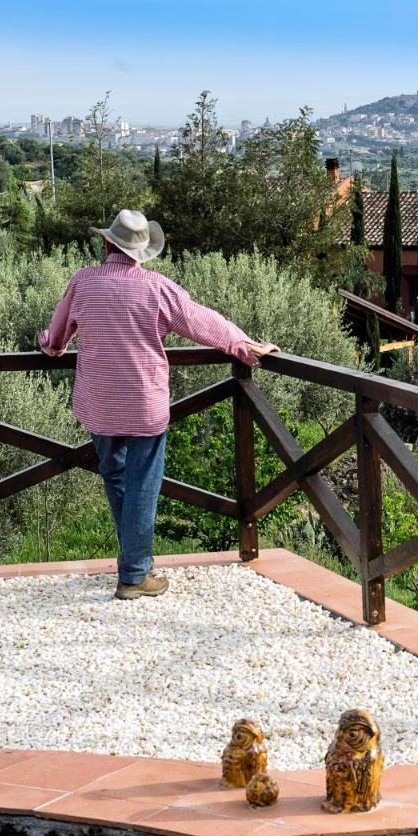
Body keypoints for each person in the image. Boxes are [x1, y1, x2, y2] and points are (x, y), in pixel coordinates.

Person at [39, 209, 278, 600]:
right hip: (143, 405)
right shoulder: (158, 288)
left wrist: (50, 344)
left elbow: (56, 338)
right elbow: (204, 322)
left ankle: (137, 562)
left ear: (106, 243)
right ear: (142, 252)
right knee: (143, 486)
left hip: (98, 403)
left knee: (115, 478)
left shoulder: (83, 282)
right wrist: (246, 346)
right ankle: (134, 574)